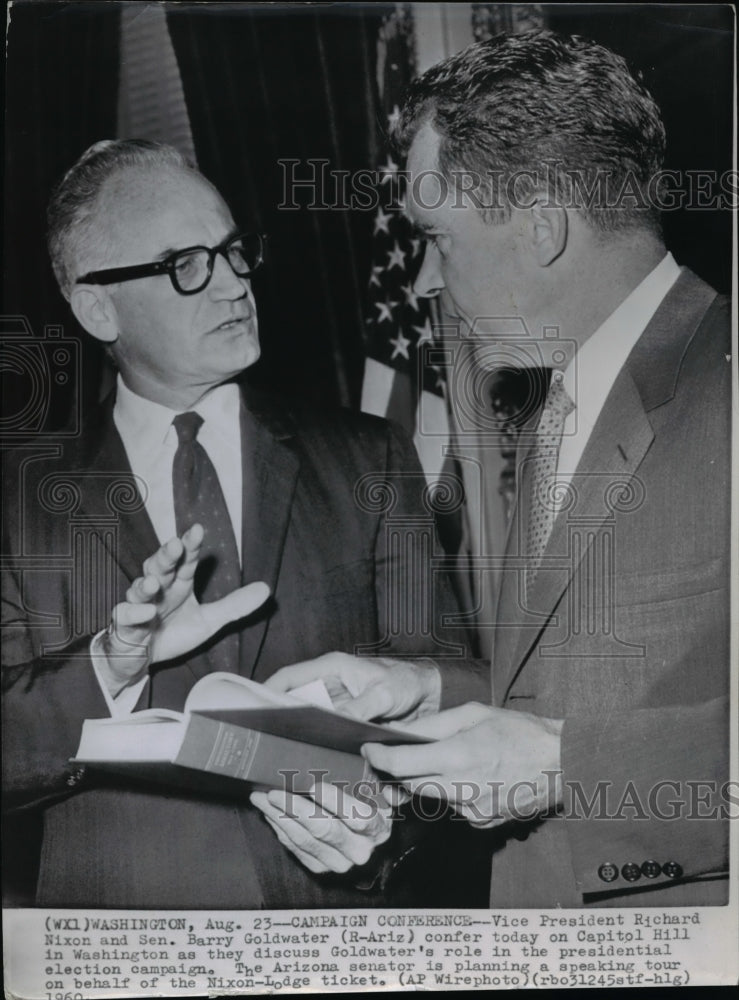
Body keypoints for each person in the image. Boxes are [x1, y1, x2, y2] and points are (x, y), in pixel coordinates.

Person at [253, 30, 731, 907]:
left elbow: (559, 747)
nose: (426, 279)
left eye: (437, 236)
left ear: (543, 227)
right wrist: (423, 692)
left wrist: (563, 768)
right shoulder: (558, 406)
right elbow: (558, 698)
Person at [1, 139, 468, 908]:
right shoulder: (18, 496)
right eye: (186, 264)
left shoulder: (366, 456)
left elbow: (457, 689)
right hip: (130, 950)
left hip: (346, 929)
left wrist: (386, 835)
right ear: (95, 307)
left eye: (232, 251)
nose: (232, 286)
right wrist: (111, 669)